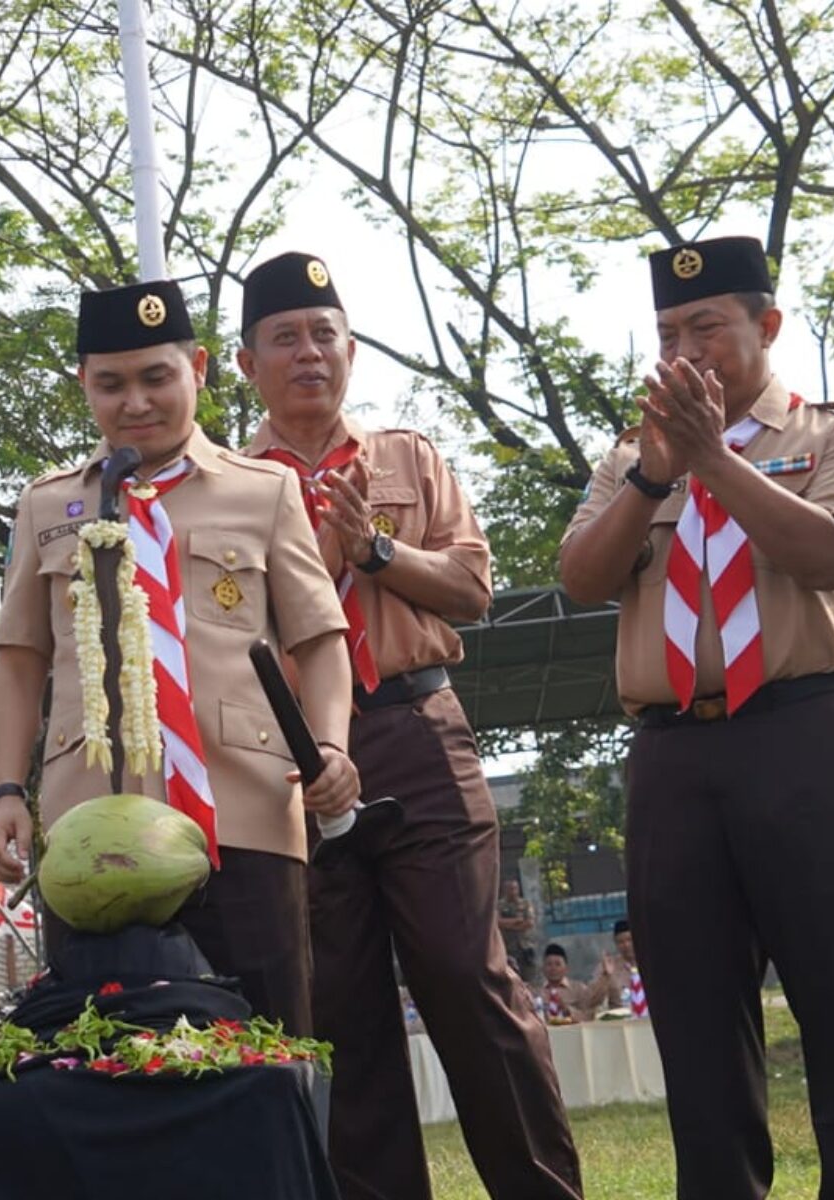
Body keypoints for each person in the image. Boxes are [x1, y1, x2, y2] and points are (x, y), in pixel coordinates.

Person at [558, 236, 834, 1198]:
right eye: (669, 331)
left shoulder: (833, 435)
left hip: (806, 736)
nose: (686, 348)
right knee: (698, 1020)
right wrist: (655, 475)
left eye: (707, 326)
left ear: (767, 326)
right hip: (677, 756)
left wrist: (715, 461)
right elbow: (583, 576)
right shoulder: (631, 460)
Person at [236, 250, 581, 1200]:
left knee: (470, 981)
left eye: (326, 336)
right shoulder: (228, 485)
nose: (310, 354)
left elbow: (472, 586)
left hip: (419, 727)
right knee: (338, 1002)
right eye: (286, 339)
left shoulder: (407, 458)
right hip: (292, 757)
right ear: (244, 363)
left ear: (350, 350)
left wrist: (375, 550)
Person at [0, 280, 361, 1035]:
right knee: (104, 1056)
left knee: (271, 1048)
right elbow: (20, 659)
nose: (136, 403)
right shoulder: (47, 506)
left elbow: (319, 639)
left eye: (157, 376)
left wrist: (330, 748)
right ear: (82, 385)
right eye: (110, 384)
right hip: (91, 826)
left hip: (243, 812)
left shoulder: (266, 491)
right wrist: (5, 791)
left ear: (200, 367)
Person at [582, 919, 645, 1014]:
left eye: (629, 940)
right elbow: (590, 1002)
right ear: (616, 943)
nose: (626, 945)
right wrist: (605, 977)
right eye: (621, 942)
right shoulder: (609, 966)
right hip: (622, 1022)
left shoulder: (651, 961)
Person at [533, 944, 593, 1025]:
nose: (553, 968)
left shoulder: (579, 989)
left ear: (566, 968)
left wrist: (566, 1009)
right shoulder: (537, 993)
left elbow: (588, 1016)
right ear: (543, 968)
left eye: (558, 964)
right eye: (549, 964)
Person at [496, 880, 540, 982]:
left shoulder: (525, 904)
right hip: (508, 947)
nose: (513, 891)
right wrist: (516, 921)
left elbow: (529, 923)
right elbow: (497, 922)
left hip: (525, 946)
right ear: (504, 890)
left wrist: (508, 925)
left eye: (515, 888)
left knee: (529, 975)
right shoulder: (499, 905)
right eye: (510, 889)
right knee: (512, 977)